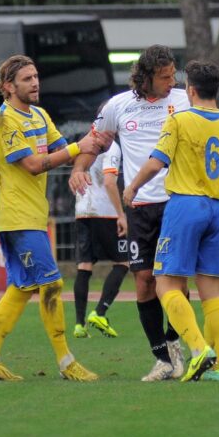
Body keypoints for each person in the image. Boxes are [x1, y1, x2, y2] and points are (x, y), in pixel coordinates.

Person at [0, 55, 109, 382]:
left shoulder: (39, 114)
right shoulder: (3, 120)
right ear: (8, 87)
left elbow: (63, 151)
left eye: (36, 76)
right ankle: (66, 361)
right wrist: (80, 148)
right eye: (26, 79)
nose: (35, 83)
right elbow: (35, 164)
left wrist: (85, 157)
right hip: (17, 217)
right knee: (51, 282)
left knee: (21, 288)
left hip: (33, 216)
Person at [124, 60, 219, 382]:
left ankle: (199, 351)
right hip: (218, 210)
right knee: (211, 290)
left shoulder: (179, 120)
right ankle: (218, 366)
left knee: (166, 283)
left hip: (185, 206)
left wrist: (133, 186)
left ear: (191, 90)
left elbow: (156, 162)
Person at [69, 44, 190, 381]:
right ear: (146, 77)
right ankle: (162, 358)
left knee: (175, 279)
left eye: (173, 75)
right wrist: (78, 168)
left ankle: (176, 344)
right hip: (139, 208)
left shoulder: (182, 101)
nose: (171, 82)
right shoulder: (119, 106)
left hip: (176, 202)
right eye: (164, 77)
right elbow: (94, 142)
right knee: (144, 282)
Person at [72, 141, 129, 339]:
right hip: (105, 212)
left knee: (85, 265)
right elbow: (109, 182)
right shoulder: (111, 146)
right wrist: (121, 214)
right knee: (123, 262)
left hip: (82, 211)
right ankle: (100, 312)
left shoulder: (85, 144)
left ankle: (79, 325)